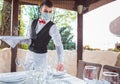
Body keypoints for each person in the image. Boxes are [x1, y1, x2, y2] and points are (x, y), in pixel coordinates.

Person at [24, 0, 64, 71]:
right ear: (40, 10)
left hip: (41, 58)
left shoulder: (53, 27)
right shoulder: (32, 22)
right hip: (29, 55)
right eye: (45, 11)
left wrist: (60, 61)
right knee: (27, 77)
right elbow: (28, 39)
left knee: (40, 79)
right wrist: (20, 40)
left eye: (50, 12)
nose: (48, 13)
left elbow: (58, 45)